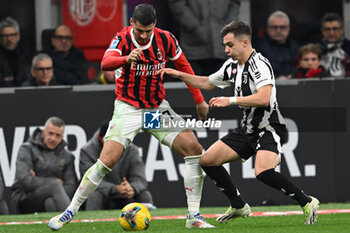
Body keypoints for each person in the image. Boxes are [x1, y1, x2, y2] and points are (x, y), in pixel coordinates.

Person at [49, 4, 213, 231]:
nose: (144, 36)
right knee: (106, 161)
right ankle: (69, 212)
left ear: (154, 25)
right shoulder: (122, 39)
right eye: (140, 30)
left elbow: (184, 65)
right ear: (132, 24)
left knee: (194, 149)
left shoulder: (166, 39)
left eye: (148, 31)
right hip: (129, 109)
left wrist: (199, 99)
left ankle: (193, 216)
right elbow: (105, 63)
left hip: (156, 110)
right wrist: (125, 58)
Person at [159, 21, 320, 225]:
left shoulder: (259, 64)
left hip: (269, 127)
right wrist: (179, 74)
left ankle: (306, 201)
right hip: (248, 129)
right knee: (207, 159)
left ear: (245, 42)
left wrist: (230, 100)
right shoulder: (232, 66)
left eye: (230, 45)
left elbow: (264, 97)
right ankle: (238, 205)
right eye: (225, 45)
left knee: (262, 172)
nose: (226, 50)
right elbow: (208, 83)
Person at [80, 121, 155, 210]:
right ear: (101, 138)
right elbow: (88, 181)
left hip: (127, 196)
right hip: (104, 195)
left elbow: (140, 179)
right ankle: (92, 223)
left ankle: (147, 221)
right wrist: (115, 189)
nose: (115, 143)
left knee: (144, 195)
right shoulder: (87, 151)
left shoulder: (132, 150)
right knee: (94, 195)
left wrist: (132, 188)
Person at [11, 117, 78, 213]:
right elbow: (25, 180)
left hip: (50, 200)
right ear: (43, 132)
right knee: (54, 184)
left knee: (50, 202)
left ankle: (57, 226)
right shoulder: (27, 149)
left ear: (62, 137)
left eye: (57, 135)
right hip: (25, 198)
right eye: (50, 133)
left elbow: (71, 187)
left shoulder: (68, 156)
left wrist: (40, 181)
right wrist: (53, 183)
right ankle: (73, 221)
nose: (53, 138)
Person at [167, 0, 240, 76]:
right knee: (194, 83)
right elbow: (177, 4)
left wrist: (228, 26)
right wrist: (194, 26)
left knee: (221, 83)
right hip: (193, 47)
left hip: (220, 47)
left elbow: (234, 4)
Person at [256, 11, 299, 79]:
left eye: (282, 27)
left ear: (289, 29)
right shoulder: (258, 50)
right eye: (274, 27)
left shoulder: (296, 48)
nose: (278, 31)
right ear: (267, 29)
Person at [0, 17, 31, 87]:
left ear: (18, 36)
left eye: (12, 35)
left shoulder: (26, 54)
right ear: (0, 38)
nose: (9, 39)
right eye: (5, 36)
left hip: (24, 92)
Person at [317, 12, 350, 77]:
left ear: (342, 30)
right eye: (328, 29)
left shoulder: (349, 47)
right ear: (322, 31)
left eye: (335, 29)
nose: (331, 32)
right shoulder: (315, 49)